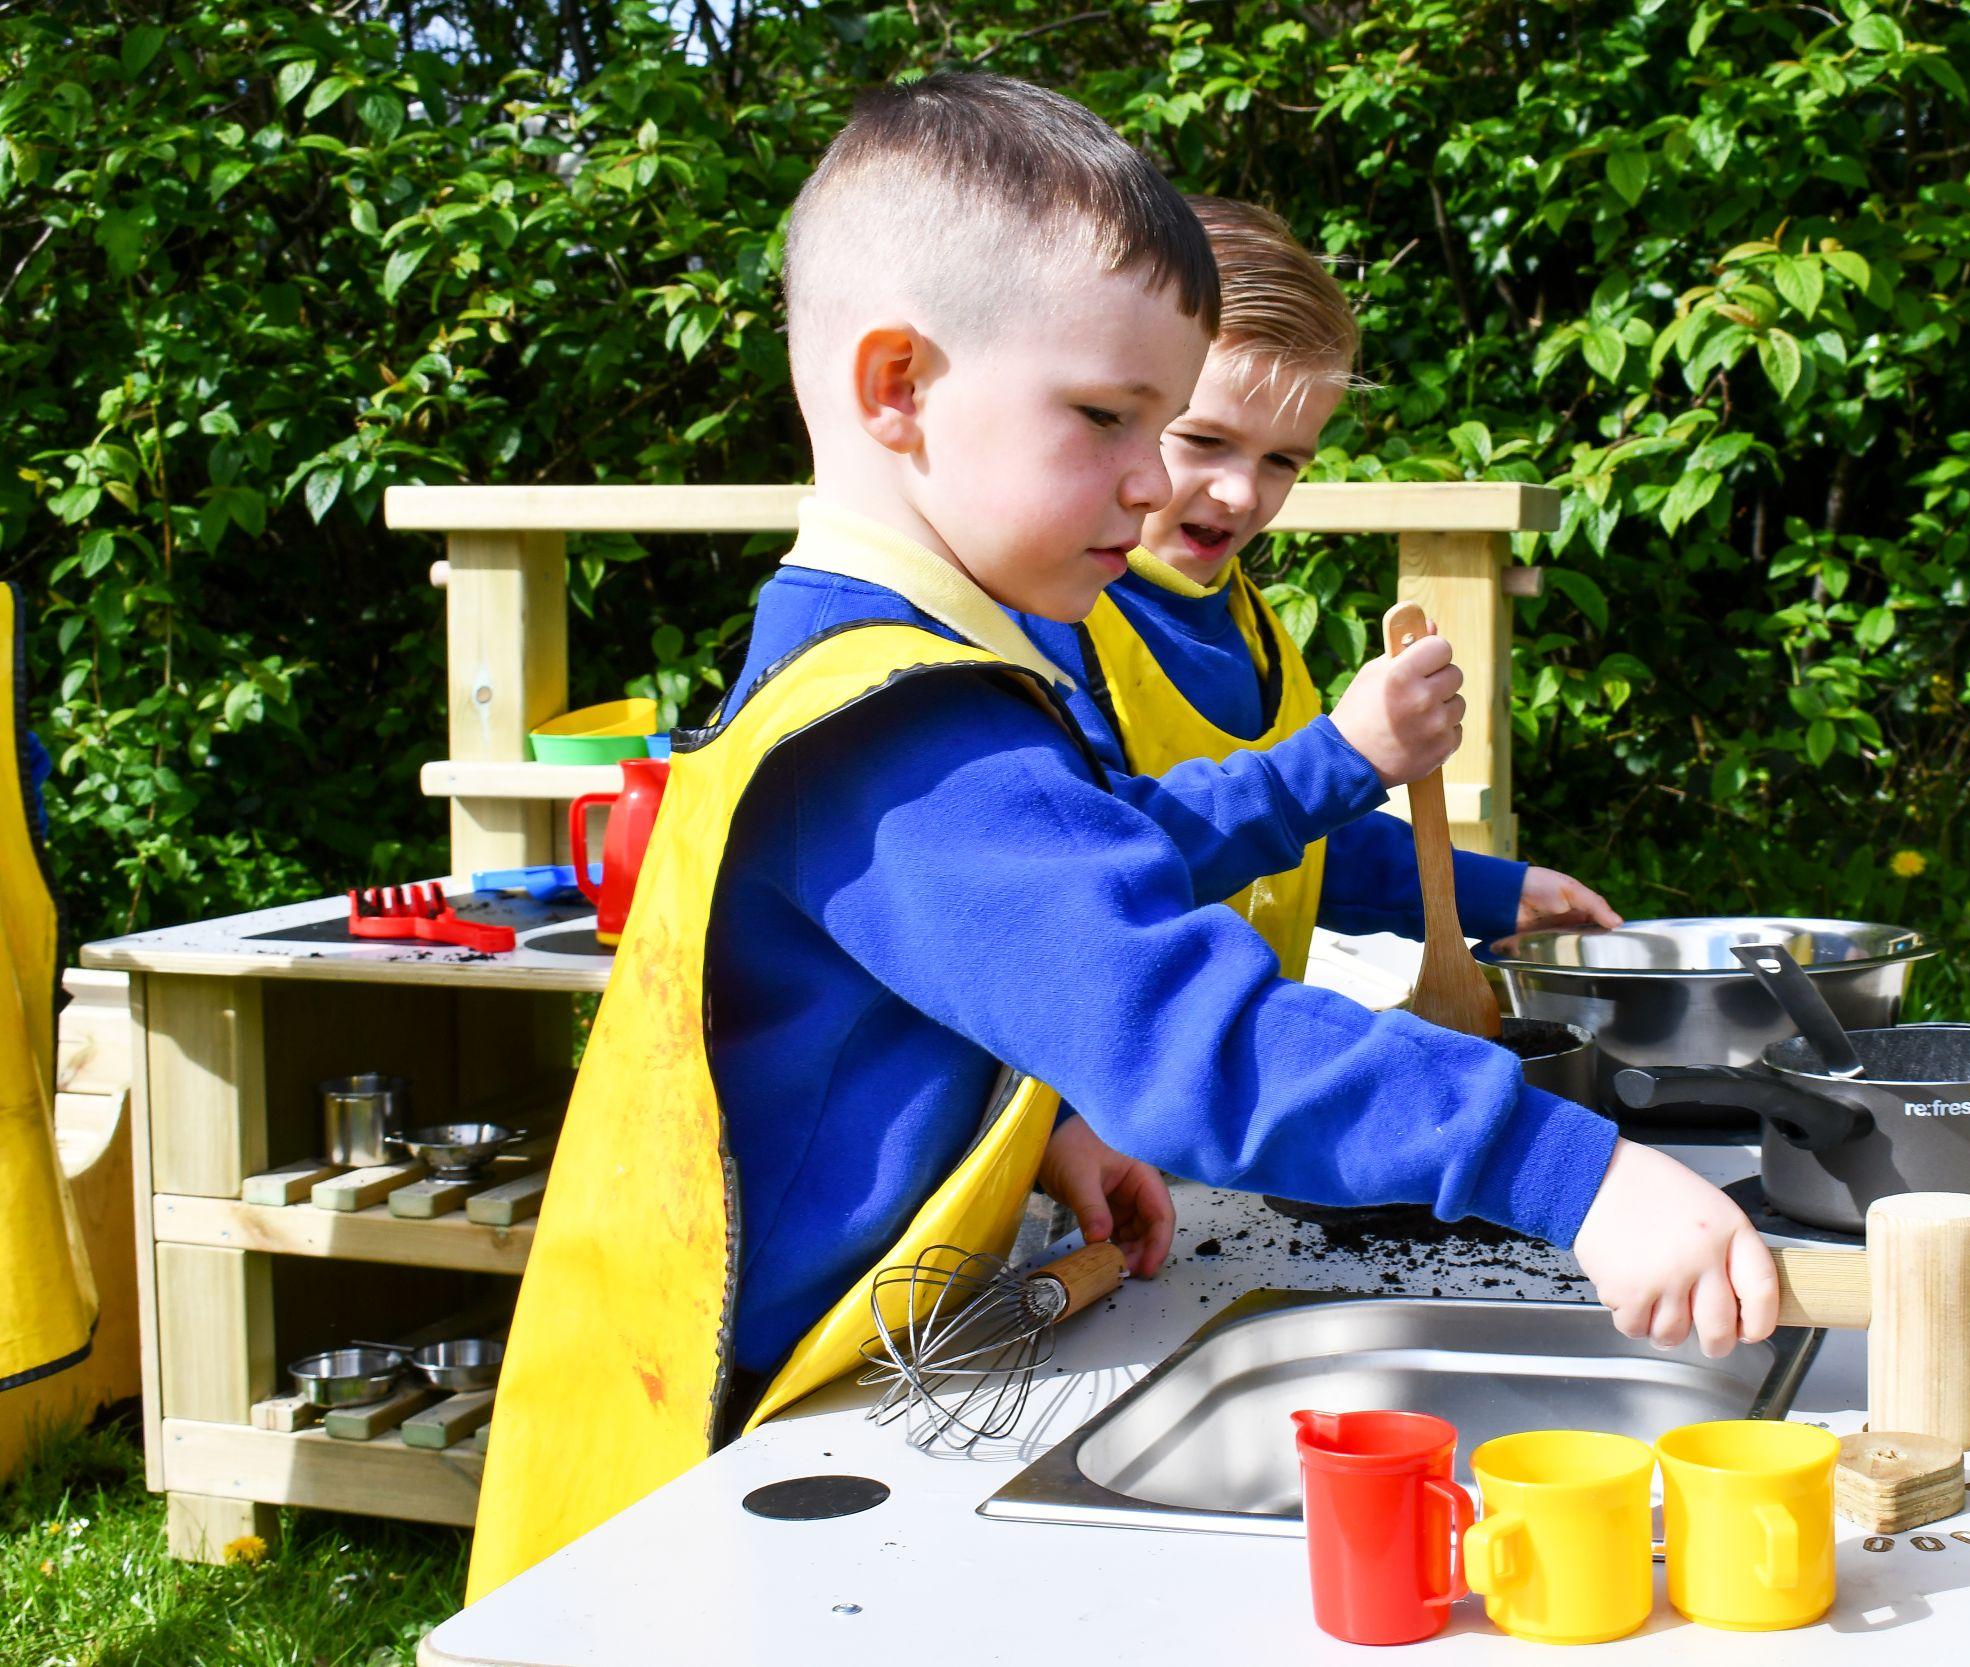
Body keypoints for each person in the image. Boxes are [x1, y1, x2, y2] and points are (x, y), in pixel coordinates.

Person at [467, 72, 1774, 1605]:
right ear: (897, 386)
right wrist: (1567, 1170)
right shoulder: (900, 730)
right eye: (1109, 418)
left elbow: (1027, 929)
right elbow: (1176, 1022)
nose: (1161, 484)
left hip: (834, 1374)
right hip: (729, 1445)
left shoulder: (898, 666)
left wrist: (1045, 1128)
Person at [1019, 196, 1620, 982]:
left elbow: (1296, 847)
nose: (1241, 494)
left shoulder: (1250, 619)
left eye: (1283, 461)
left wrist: (1494, 893)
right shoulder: (1043, 615)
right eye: (1205, 440)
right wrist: (1342, 757)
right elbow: (1106, 863)